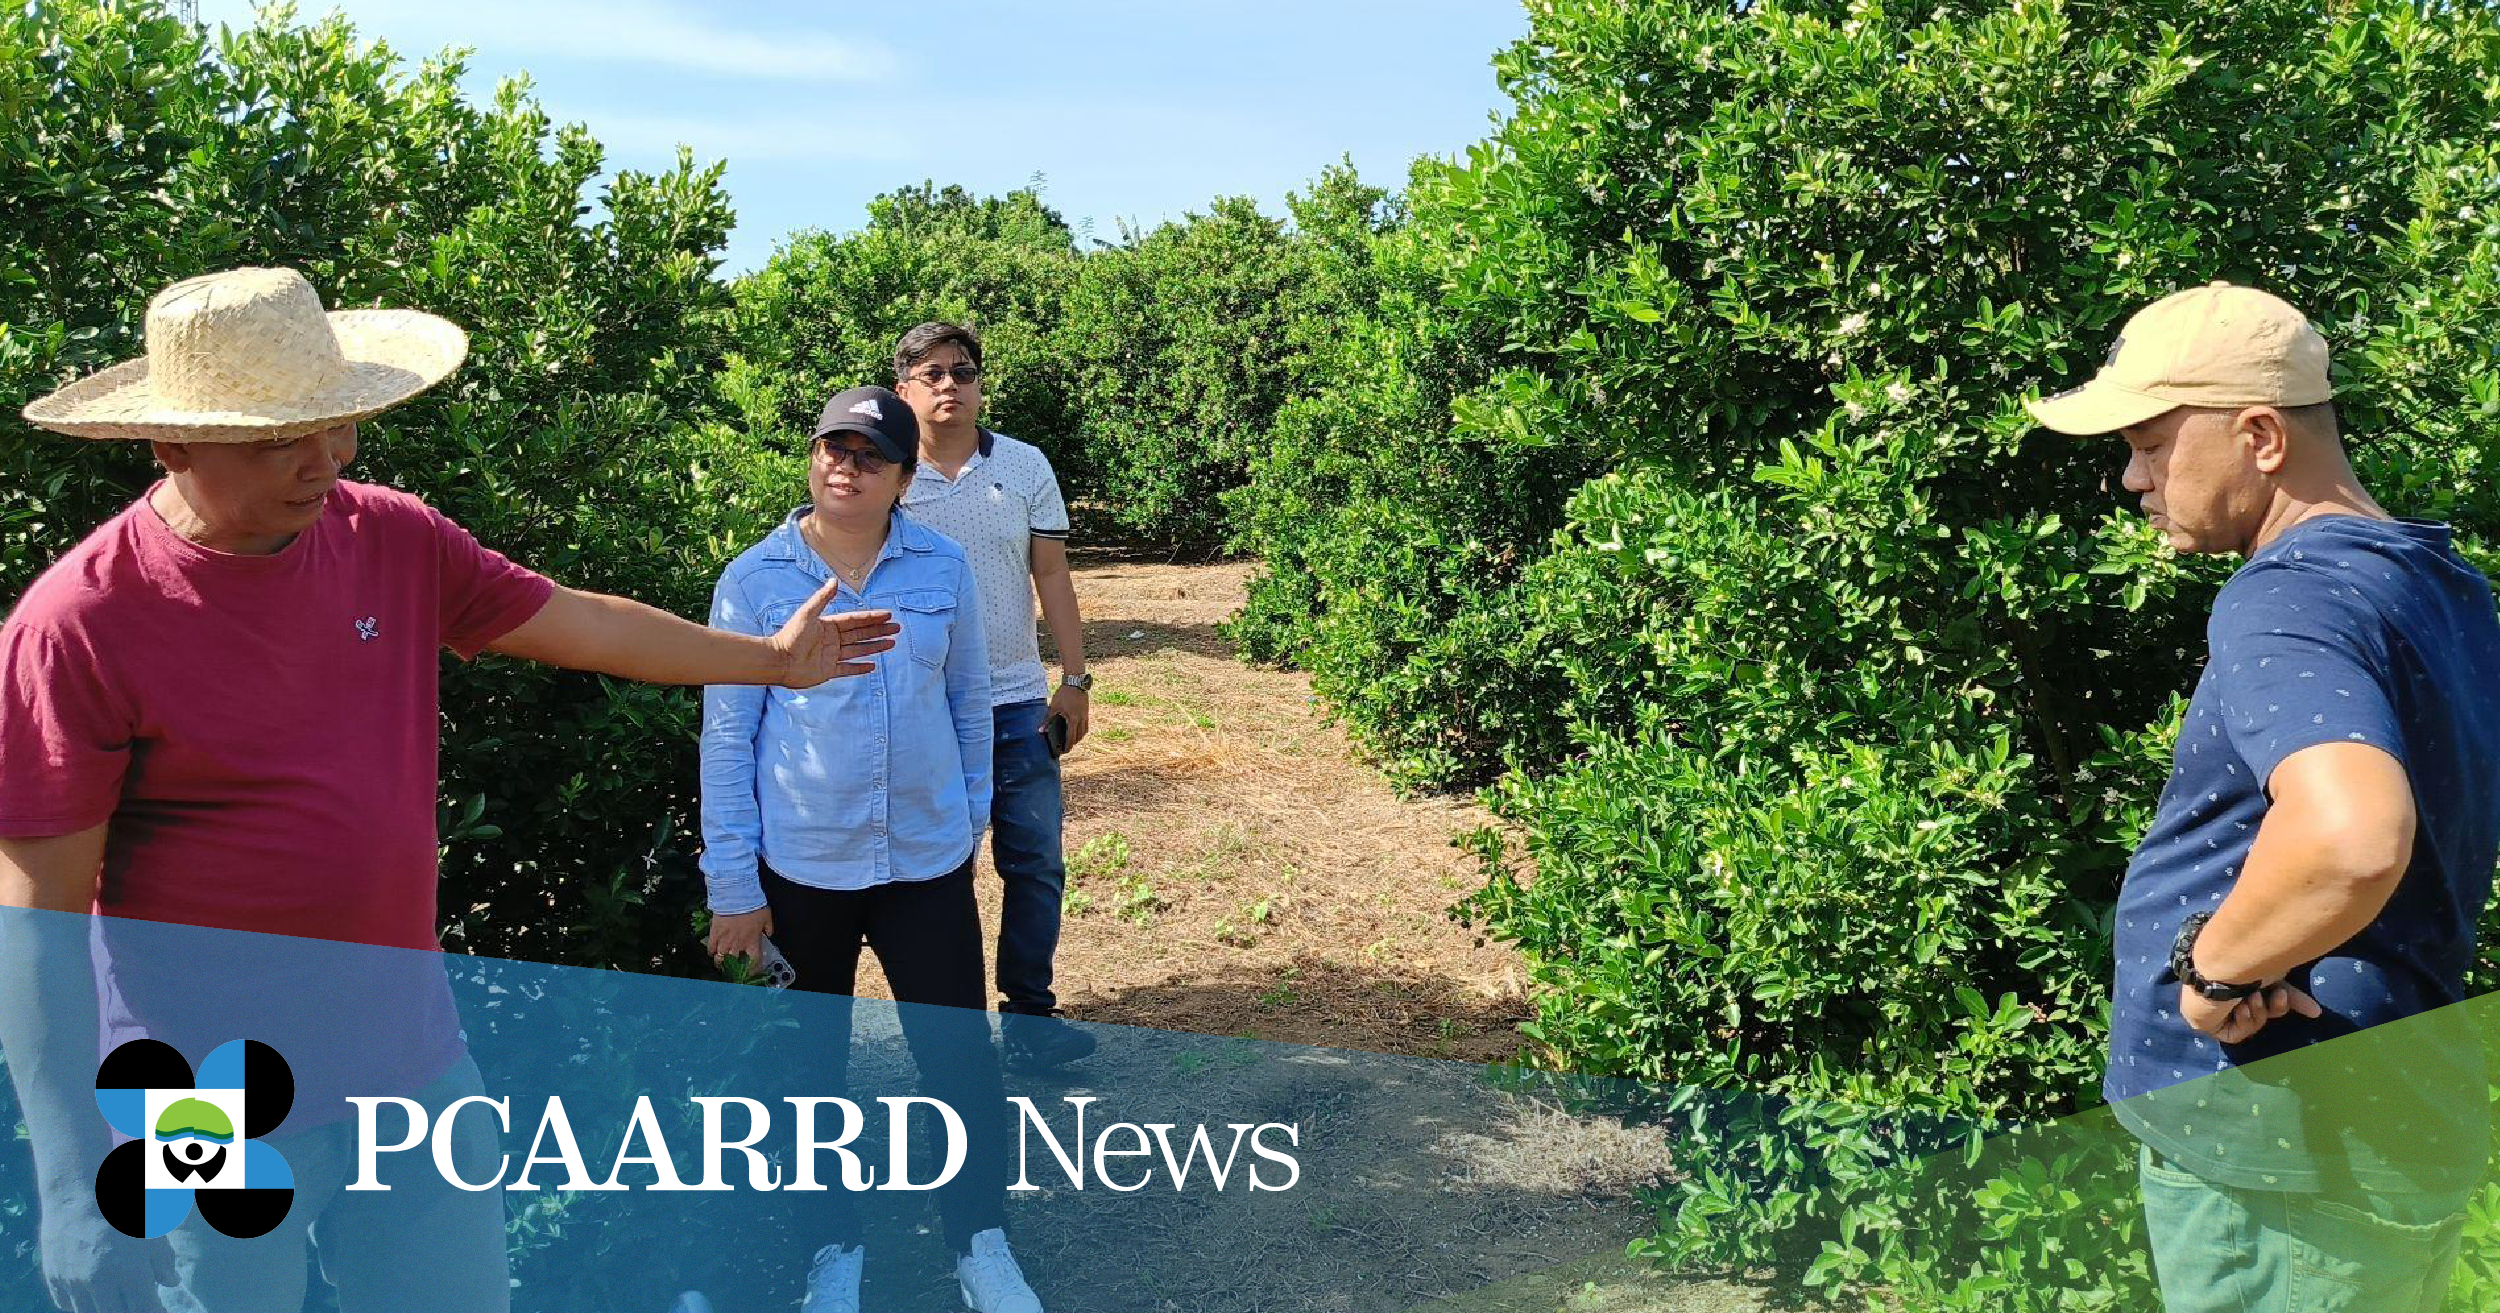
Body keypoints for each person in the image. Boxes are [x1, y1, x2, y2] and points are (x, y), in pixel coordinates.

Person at [0, 267, 902, 1313]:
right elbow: (37, 921)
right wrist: (68, 1180)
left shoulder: (386, 534)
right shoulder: (80, 622)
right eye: (273, 437)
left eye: (333, 423)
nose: (323, 459)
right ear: (171, 443)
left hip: (407, 1062)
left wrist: (768, 660)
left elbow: (578, 620)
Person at [2028, 282, 2500, 1311]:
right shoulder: (2438, 581)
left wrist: (2214, 964)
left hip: (2284, 1160)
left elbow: (2351, 835)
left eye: (2150, 442)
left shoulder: (2287, 592)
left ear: (2257, 435)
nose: (2128, 477)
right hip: (2384, 1124)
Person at [698, 386, 1043, 1313]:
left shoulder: (945, 566)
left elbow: (972, 704)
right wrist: (734, 885)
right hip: (802, 870)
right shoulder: (754, 580)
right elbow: (727, 740)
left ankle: (980, 1243)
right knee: (810, 1072)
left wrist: (964, 819)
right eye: (831, 448)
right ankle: (832, 1251)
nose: (844, 466)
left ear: (901, 479)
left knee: (959, 1061)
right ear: (811, 458)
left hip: (924, 867)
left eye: (869, 455)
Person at [888, 323, 1097, 1068]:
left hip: (1015, 700)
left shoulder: (1024, 465)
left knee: (1035, 862)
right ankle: (951, 1032)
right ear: (903, 388)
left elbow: (1052, 577)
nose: (951, 385)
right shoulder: (884, 472)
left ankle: (1031, 1020)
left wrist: (1072, 680)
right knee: (935, 874)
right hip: (920, 708)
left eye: (964, 371)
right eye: (932, 373)